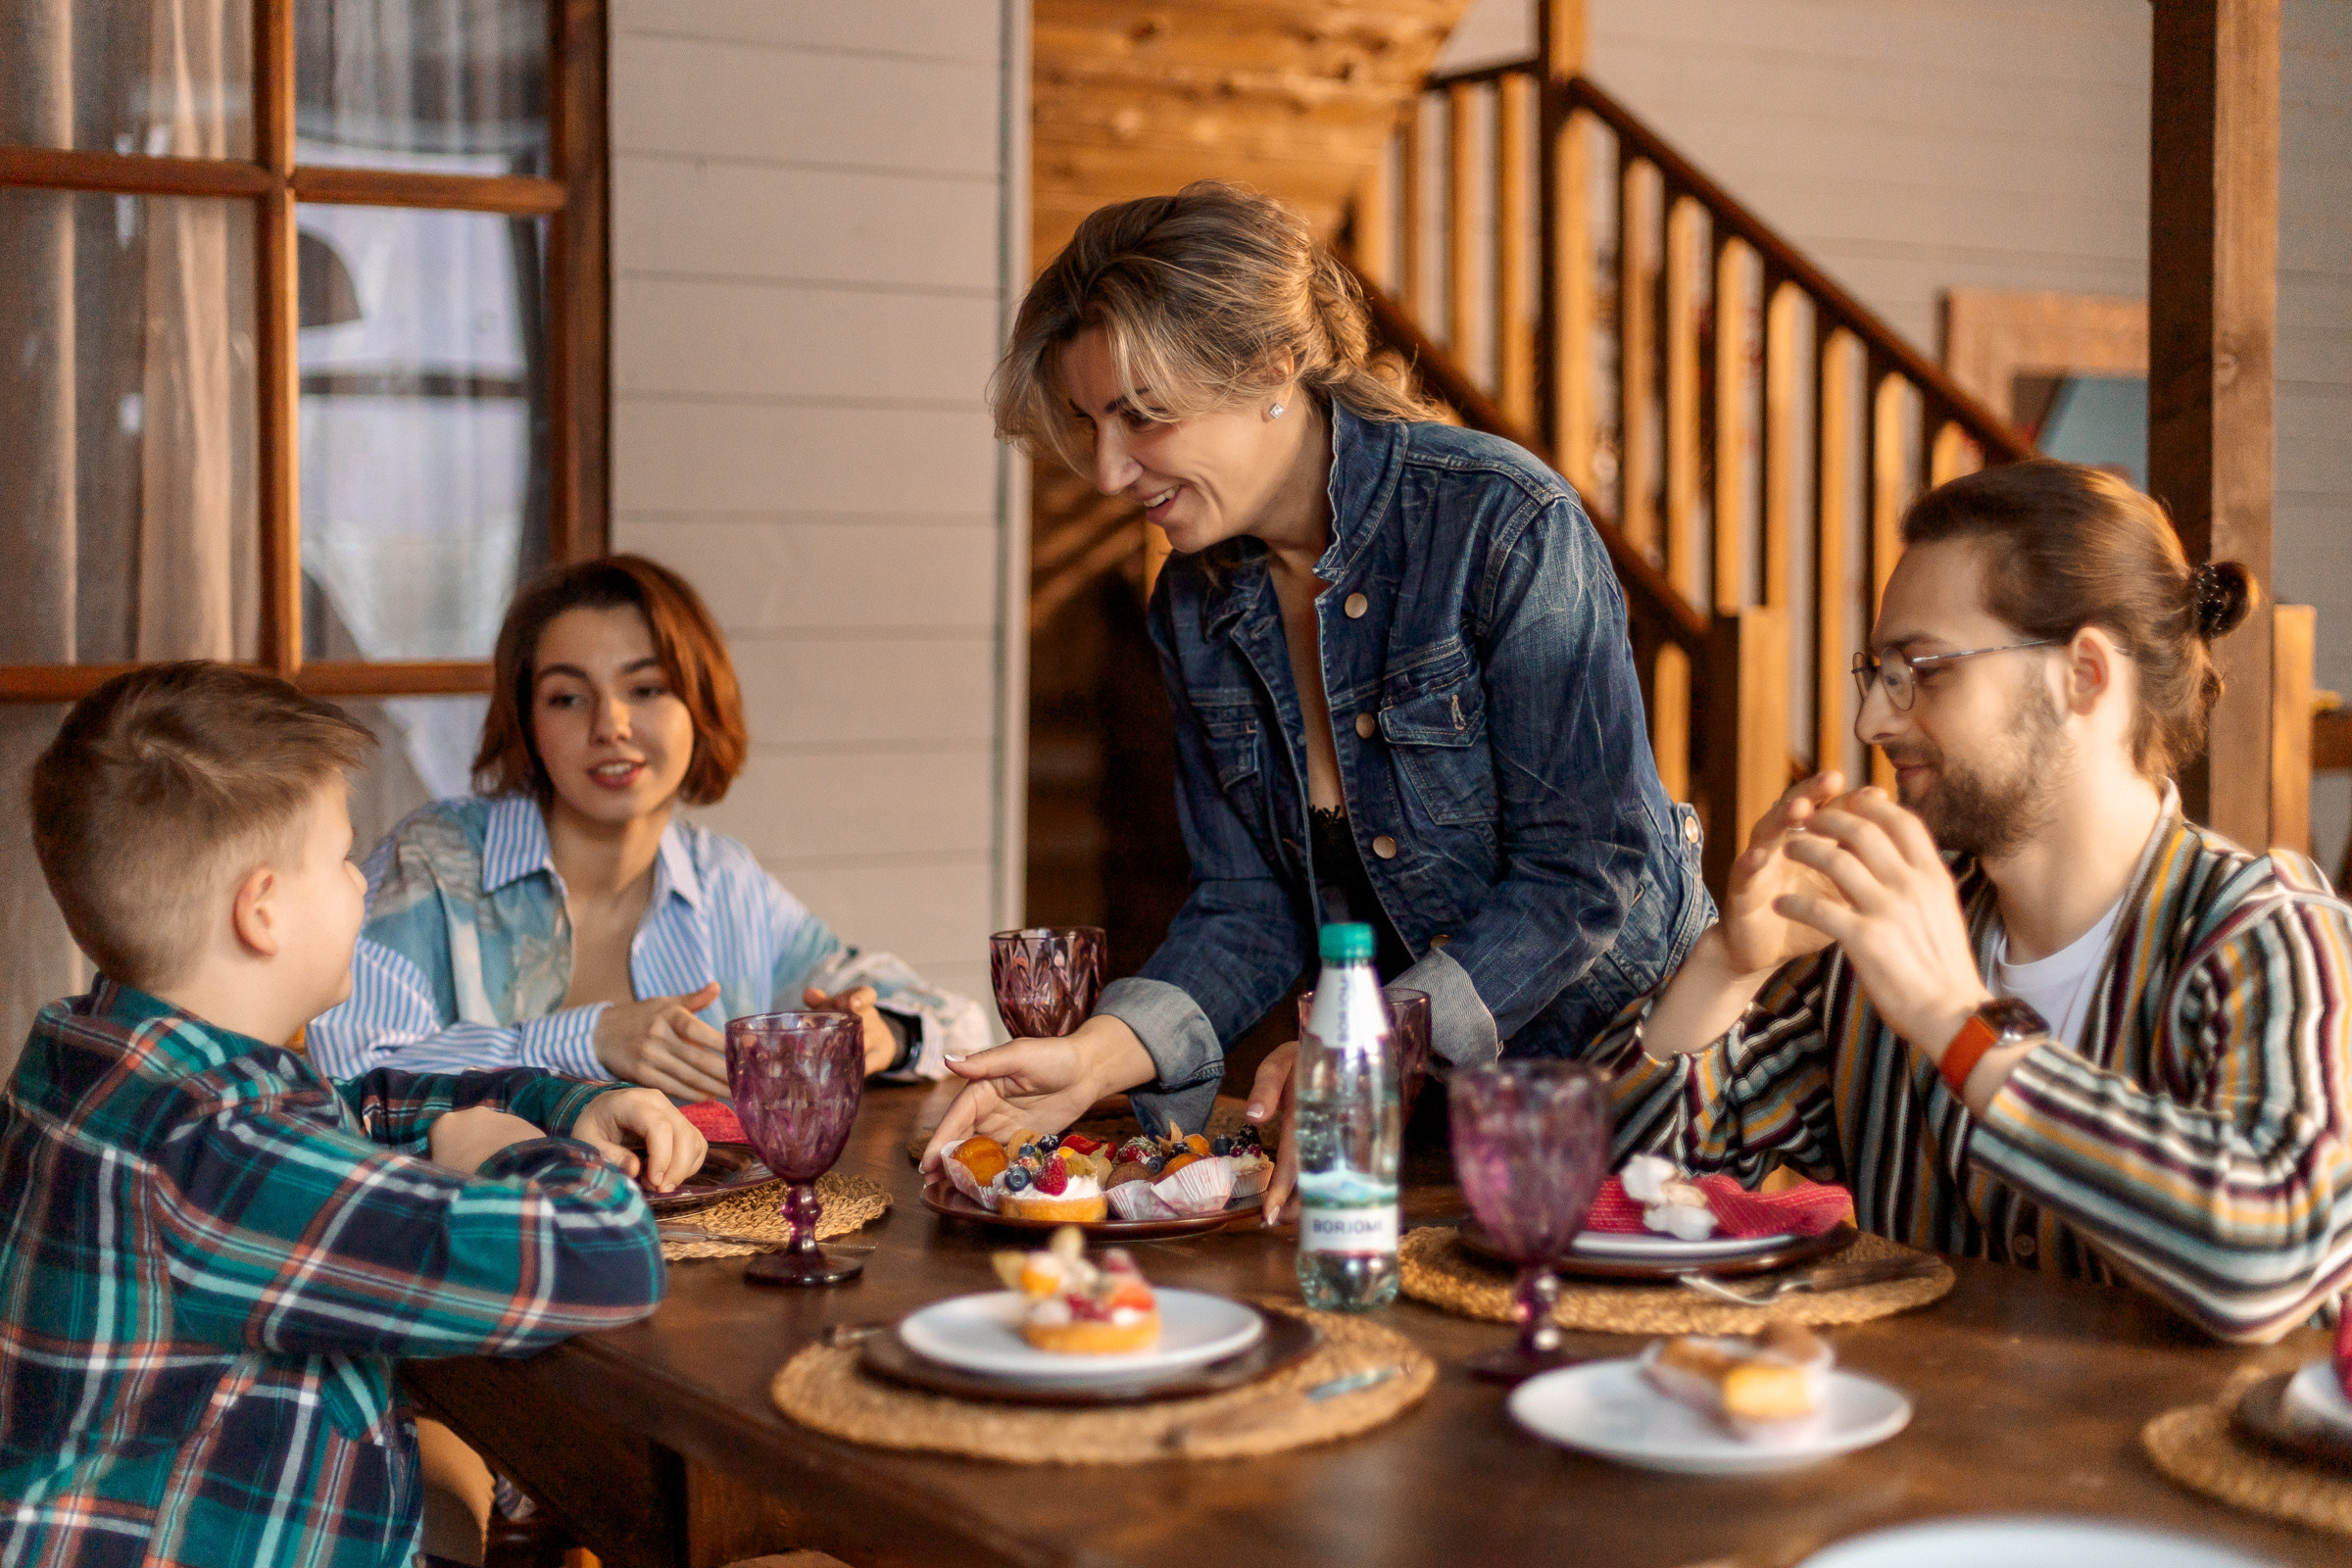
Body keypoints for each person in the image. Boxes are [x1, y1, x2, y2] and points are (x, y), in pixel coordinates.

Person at [924, 182, 1711, 1189]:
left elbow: (1587, 868)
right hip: (1418, 1120)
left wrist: (1372, 1037)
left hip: (1634, 1093)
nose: (1110, 472)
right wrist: (1097, 1055)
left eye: (1144, 416)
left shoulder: (1502, 522)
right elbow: (1246, 906)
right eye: (1091, 424)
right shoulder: (1193, 604)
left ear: (1270, 365)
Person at [1599, 460, 2352, 1342]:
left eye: (1922, 667)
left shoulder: (2265, 930)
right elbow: (1625, 1197)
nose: (1873, 722)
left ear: (2085, 675)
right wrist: (1728, 963)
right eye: (1878, 672)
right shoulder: (1884, 945)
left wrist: (1961, 1027)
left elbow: (2277, 1259)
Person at [0, 662, 692, 1564]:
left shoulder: (99, 1066)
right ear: (262, 911)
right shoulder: (214, 1158)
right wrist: (513, 1157)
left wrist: (551, 1104)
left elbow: (347, 1110)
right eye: (339, 860)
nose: (364, 884)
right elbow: (608, 1261)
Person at [309, 556, 987, 1096]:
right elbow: (348, 1066)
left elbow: (961, 1025)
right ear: (526, 721)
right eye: (567, 697)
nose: (611, 725)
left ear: (700, 705)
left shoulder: (723, 884)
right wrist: (586, 1039)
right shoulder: (436, 863)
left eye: (646, 689)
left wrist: (888, 1033)